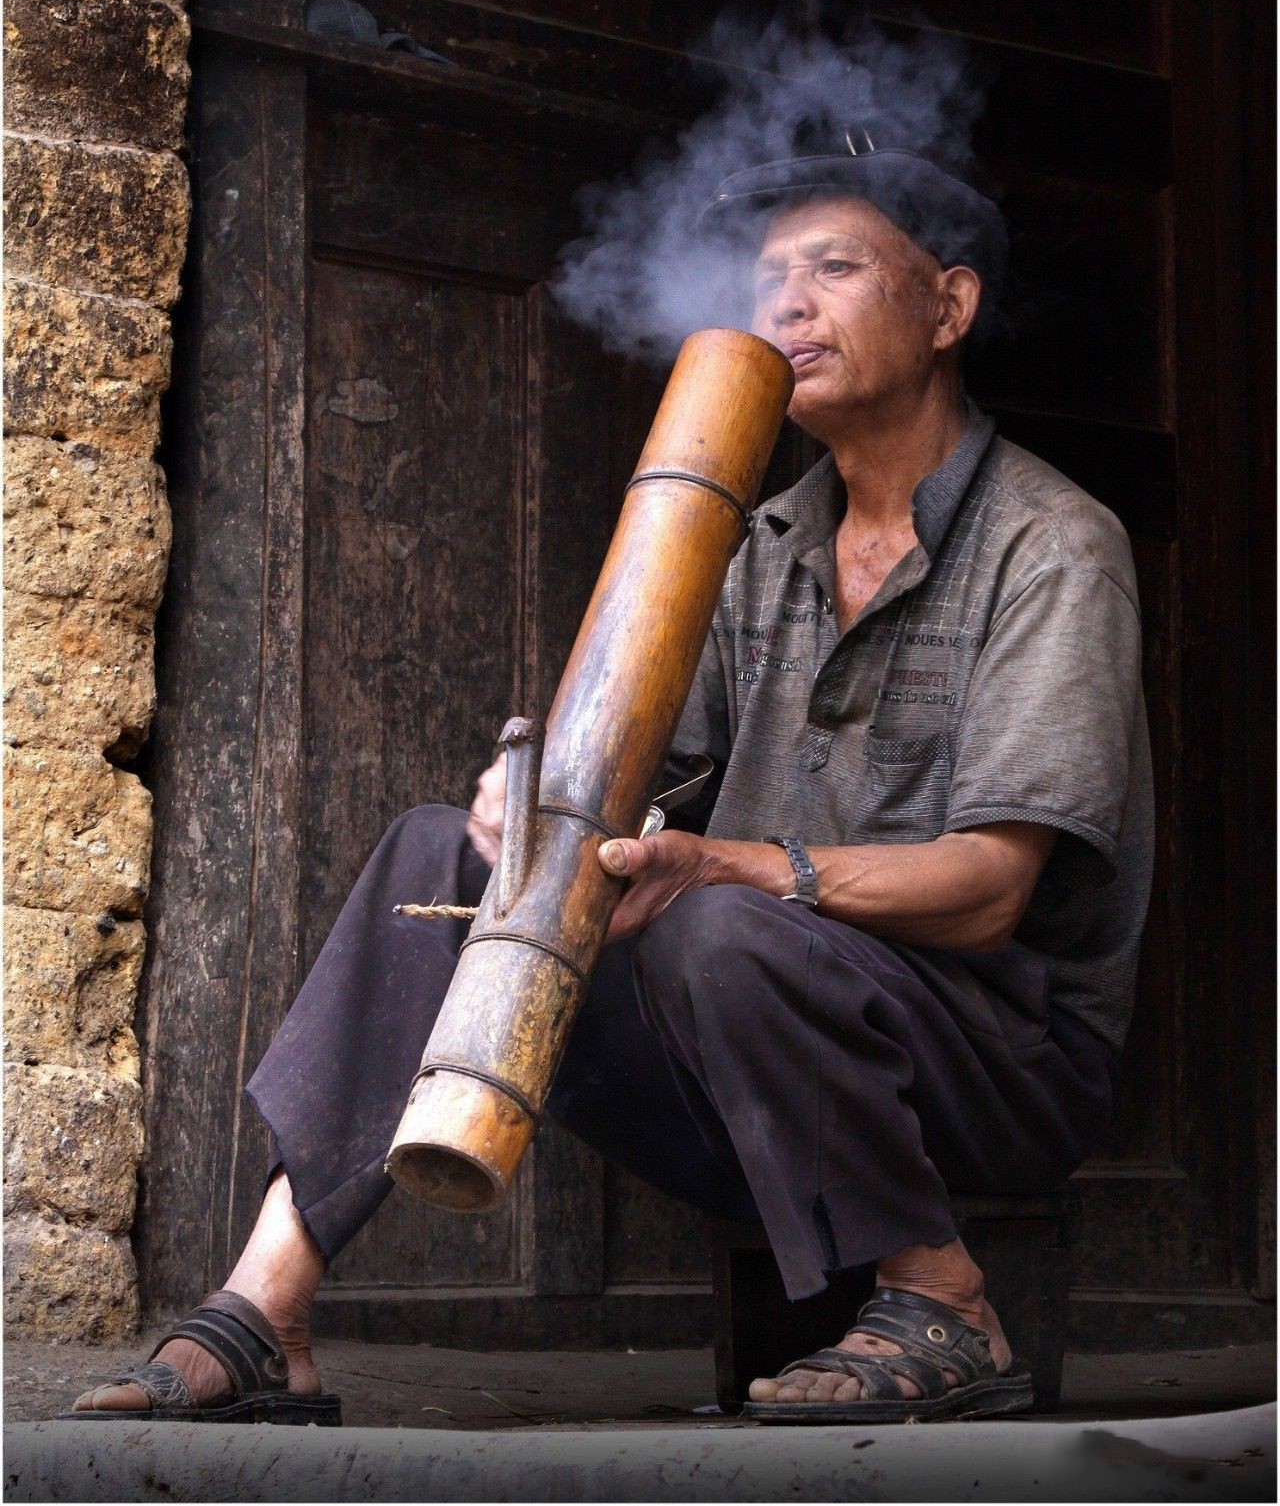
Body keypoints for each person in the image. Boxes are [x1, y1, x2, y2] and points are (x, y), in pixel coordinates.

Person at [67, 133, 1152, 1426]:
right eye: (769, 278)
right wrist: (544, 812)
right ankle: (267, 1310)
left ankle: (944, 1296)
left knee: (715, 918)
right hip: (762, 1044)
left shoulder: (1053, 544)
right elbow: (650, 784)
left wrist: (735, 867)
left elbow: (989, 893)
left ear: (949, 307)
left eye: (835, 268)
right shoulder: (766, 546)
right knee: (441, 854)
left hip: (995, 1061)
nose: (788, 304)